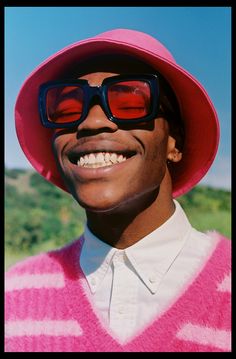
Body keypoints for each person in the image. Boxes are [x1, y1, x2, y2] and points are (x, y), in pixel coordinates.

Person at [5, 29, 231, 352]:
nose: (92, 123)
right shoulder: (16, 295)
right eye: (67, 107)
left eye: (129, 101)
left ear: (174, 142)